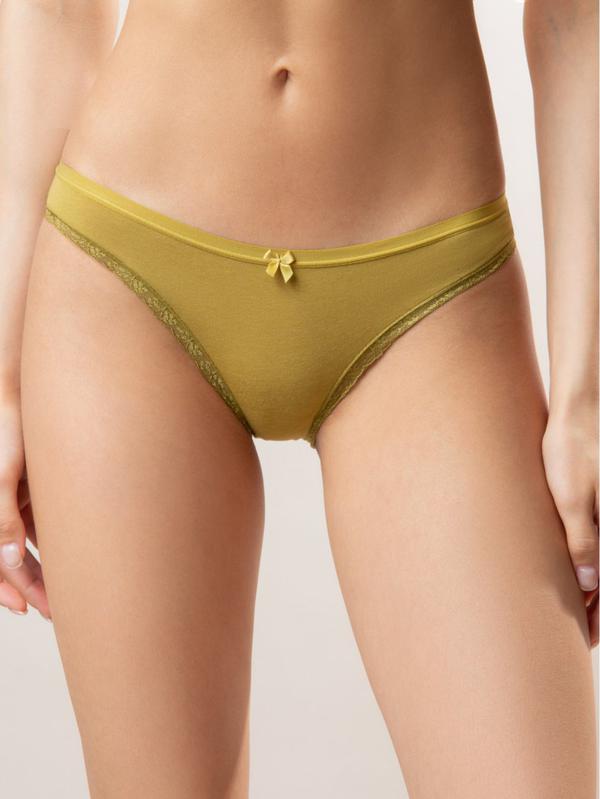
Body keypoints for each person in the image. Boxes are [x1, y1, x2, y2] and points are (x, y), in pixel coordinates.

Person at [0, 0, 597, 796]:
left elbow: (573, 20)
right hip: (126, 273)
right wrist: (1, 379)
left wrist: (585, 397)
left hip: (431, 288)